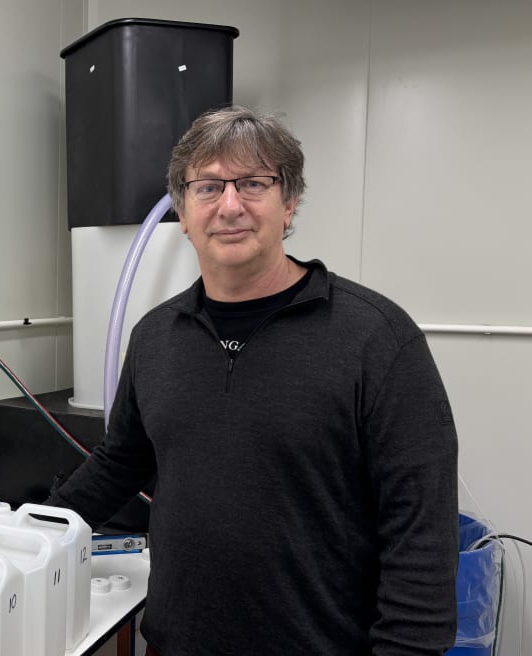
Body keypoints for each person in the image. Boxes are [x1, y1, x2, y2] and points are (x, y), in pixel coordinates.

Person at [48, 106, 459, 655]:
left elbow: (421, 538)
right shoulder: (156, 336)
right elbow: (123, 460)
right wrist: (35, 532)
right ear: (183, 212)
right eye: (209, 187)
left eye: (253, 183)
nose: (231, 205)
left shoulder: (376, 338)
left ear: (289, 205)